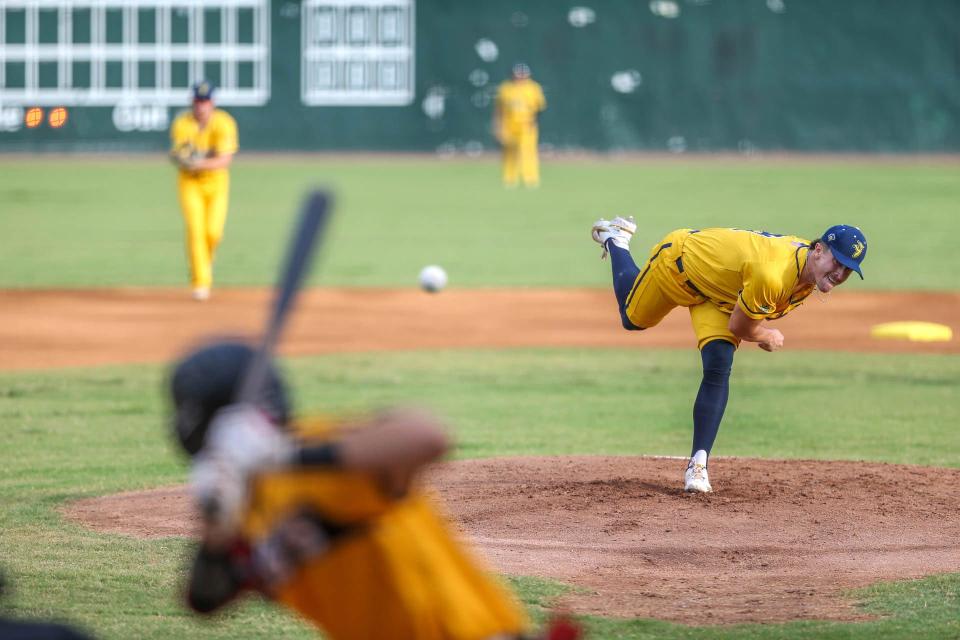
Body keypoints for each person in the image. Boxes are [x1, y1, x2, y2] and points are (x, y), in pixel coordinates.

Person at [168, 339, 560, 640]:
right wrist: (215, 530)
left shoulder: (318, 452)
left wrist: (280, 455)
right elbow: (204, 601)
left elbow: (428, 435)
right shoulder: (239, 503)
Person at [590, 218, 868, 493]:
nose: (840, 273)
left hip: (724, 295)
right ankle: (616, 239)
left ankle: (697, 465)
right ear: (818, 249)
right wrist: (765, 335)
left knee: (718, 366)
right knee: (632, 319)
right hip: (679, 267)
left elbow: (742, 314)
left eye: (849, 269)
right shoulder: (773, 273)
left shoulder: (807, 273)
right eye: (838, 262)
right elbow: (741, 326)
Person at [169, 81, 238, 301]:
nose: (201, 106)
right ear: (192, 103)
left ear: (213, 103)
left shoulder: (224, 123)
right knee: (196, 230)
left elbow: (225, 160)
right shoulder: (182, 124)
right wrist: (182, 159)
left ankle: (203, 264)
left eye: (205, 102)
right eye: (198, 102)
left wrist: (197, 163)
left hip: (217, 184)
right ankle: (201, 281)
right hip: (190, 184)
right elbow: (180, 154)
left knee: (213, 232)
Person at [493, 63, 546, 188]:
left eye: (523, 76)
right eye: (518, 76)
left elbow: (540, 108)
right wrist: (498, 126)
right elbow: (499, 109)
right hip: (509, 125)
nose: (520, 78)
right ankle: (509, 179)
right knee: (510, 152)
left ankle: (531, 179)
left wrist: (533, 122)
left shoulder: (533, 88)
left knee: (528, 151)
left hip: (527, 125)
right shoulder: (505, 88)